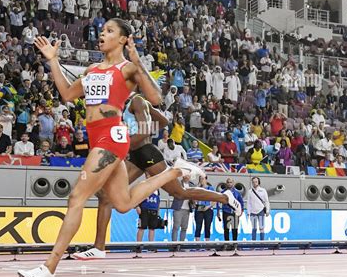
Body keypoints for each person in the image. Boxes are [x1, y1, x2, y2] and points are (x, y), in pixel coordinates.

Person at [18, 18, 204, 277]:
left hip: (111, 136)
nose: (102, 34)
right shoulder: (92, 69)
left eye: (109, 31)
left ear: (122, 39)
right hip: (97, 138)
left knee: (76, 197)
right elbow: (68, 96)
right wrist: (53, 61)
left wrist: (139, 63)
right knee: (122, 203)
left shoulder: (127, 68)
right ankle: (176, 170)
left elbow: (156, 100)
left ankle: (49, 267)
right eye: (102, 30)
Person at [73, 93, 242, 260]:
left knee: (180, 193)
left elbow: (145, 132)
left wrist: (122, 147)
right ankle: (99, 247)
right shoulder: (136, 102)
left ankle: (224, 197)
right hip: (136, 155)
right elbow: (163, 121)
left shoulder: (137, 101)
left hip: (146, 153)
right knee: (105, 196)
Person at [218, 177, 245, 242]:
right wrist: (218, 211)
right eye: (228, 182)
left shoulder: (237, 193)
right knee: (226, 229)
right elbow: (218, 202)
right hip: (226, 212)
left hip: (235, 213)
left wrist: (241, 211)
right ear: (226, 183)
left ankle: (234, 244)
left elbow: (241, 202)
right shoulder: (223, 193)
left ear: (233, 183)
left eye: (231, 182)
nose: (229, 184)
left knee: (235, 229)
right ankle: (227, 244)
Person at [246, 177, 270, 241]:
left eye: (256, 182)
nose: (254, 183)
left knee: (261, 227)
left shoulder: (263, 190)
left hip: (261, 211)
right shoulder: (250, 191)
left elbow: (266, 201)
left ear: (258, 182)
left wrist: (267, 210)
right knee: (254, 228)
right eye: (253, 182)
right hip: (253, 212)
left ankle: (262, 243)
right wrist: (248, 212)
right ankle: (253, 243)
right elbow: (248, 202)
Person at [194, 175, 215, 242]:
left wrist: (208, 206)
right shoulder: (197, 188)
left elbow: (215, 200)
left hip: (208, 208)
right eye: (200, 179)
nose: (201, 180)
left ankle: (207, 242)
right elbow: (194, 198)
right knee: (198, 225)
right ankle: (197, 242)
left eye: (203, 179)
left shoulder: (210, 188)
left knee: (207, 226)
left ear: (206, 180)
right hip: (199, 207)